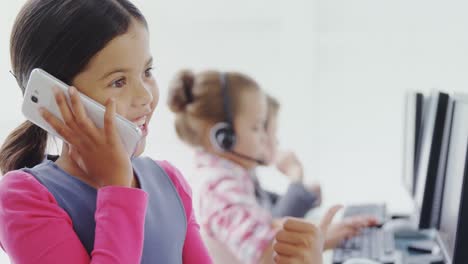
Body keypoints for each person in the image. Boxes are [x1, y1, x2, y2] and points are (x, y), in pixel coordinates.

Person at [0, 1, 211, 263]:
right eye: (118, 81)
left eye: (147, 72)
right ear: (56, 96)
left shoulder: (169, 181)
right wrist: (117, 186)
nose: (145, 96)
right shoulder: (22, 198)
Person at [167, 69, 375, 264]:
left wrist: (326, 235)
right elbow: (266, 254)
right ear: (223, 137)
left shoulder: (230, 178)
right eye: (257, 127)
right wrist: (318, 242)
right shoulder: (218, 187)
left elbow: (265, 226)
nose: (264, 137)